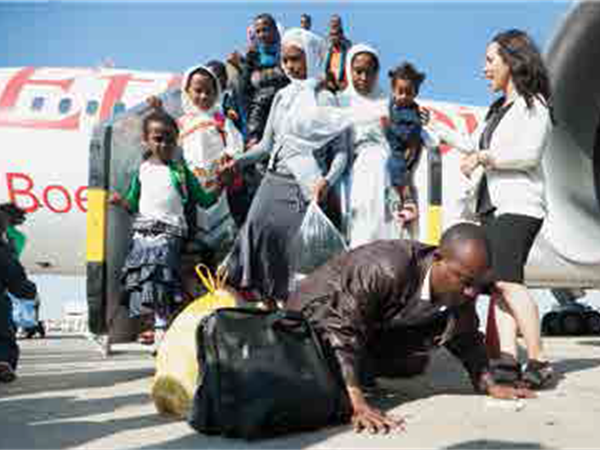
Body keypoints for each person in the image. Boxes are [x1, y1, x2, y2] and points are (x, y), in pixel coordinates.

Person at [287, 222, 535, 434]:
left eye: (477, 284)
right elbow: (341, 328)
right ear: (438, 259)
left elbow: (466, 335)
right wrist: (358, 403)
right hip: (313, 317)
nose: (471, 291)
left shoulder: (461, 286)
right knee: (331, 389)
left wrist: (490, 384)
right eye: (465, 280)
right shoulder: (385, 267)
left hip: (365, 325)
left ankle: (363, 370)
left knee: (412, 363)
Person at [434, 29, 554, 388]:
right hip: (493, 206)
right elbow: (472, 144)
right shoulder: (497, 111)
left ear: (511, 62)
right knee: (498, 286)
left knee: (509, 282)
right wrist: (435, 126)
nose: (484, 69)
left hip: (519, 206)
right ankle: (506, 359)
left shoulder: (535, 105)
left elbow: (529, 155)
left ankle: (539, 359)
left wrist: (486, 157)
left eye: (490, 61)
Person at [223, 27, 351, 304]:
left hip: (303, 187)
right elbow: (265, 146)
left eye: (296, 58)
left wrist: (326, 181)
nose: (290, 66)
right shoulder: (282, 97)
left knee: (294, 253)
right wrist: (237, 162)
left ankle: (291, 312)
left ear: (312, 58)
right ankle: (266, 307)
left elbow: (341, 152)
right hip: (272, 180)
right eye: (286, 59)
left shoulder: (327, 99)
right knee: (255, 232)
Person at [110, 102, 218, 349]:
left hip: (170, 233)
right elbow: (133, 203)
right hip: (143, 234)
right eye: (158, 139)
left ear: (177, 142)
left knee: (160, 274)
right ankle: (155, 324)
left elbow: (205, 199)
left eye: (170, 140)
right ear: (146, 141)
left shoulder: (181, 172)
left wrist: (220, 183)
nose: (164, 145)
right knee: (143, 278)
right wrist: (120, 202)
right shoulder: (142, 170)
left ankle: (161, 327)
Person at [338, 44, 420, 248]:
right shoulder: (341, 101)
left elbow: (410, 126)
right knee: (361, 225)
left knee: (388, 227)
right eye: (358, 71)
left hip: (388, 167)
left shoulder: (389, 102)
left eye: (370, 72)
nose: (364, 78)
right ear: (349, 69)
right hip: (356, 171)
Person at [178, 64, 244, 255]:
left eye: (208, 91)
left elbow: (235, 143)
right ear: (187, 91)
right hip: (192, 183)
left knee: (219, 219)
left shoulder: (221, 120)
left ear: (216, 92)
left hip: (218, 180)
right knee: (194, 221)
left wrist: (230, 156)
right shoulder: (181, 123)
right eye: (198, 91)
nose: (203, 96)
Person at [232, 13, 290, 148]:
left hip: (284, 106)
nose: (261, 35)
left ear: (276, 31)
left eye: (265, 30)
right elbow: (244, 87)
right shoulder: (253, 56)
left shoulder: (286, 52)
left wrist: (262, 77)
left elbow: (288, 74)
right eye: (258, 31)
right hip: (259, 114)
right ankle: (253, 137)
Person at [382, 62, 428, 225]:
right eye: (399, 92)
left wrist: (388, 127)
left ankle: (408, 202)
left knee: (397, 168)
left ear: (415, 93)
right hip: (396, 145)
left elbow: (406, 135)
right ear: (393, 90)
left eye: (408, 93)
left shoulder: (411, 114)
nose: (403, 96)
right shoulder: (393, 105)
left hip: (404, 148)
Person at [0, 210, 37, 383]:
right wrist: (30, 291)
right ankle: (3, 361)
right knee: (4, 332)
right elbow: (16, 280)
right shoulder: (7, 246)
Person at [324, 15, 352, 92]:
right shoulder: (326, 48)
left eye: (336, 22)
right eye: (332, 22)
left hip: (343, 87)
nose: (334, 24)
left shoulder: (347, 48)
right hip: (329, 86)